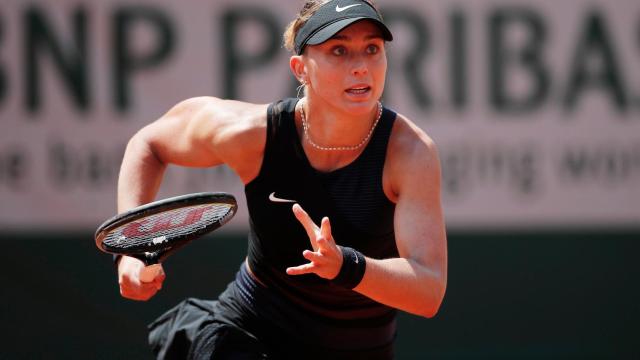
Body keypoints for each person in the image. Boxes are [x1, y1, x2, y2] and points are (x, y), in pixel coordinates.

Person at [115, 0, 447, 358]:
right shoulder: (250, 134)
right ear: (300, 69)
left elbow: (428, 290)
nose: (361, 67)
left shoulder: (410, 153)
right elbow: (149, 143)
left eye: (372, 49)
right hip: (248, 333)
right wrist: (132, 249)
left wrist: (345, 265)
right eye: (339, 50)